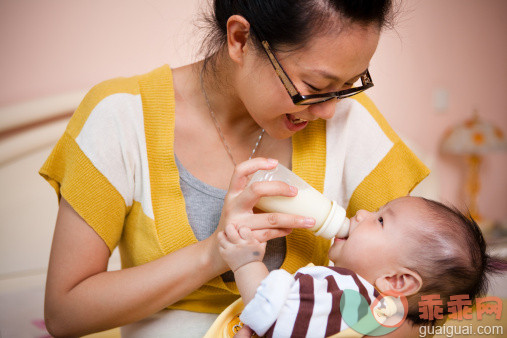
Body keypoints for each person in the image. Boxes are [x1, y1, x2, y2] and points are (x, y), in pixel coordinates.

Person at [39, 1, 429, 337]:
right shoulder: (121, 117)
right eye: (315, 85)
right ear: (240, 39)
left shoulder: (352, 126)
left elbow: (415, 308)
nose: (329, 110)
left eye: (348, 84)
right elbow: (64, 314)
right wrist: (216, 253)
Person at [216, 195, 506, 338]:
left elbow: (272, 311)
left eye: (380, 220)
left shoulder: (346, 296)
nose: (363, 212)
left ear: (397, 281)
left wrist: (247, 262)